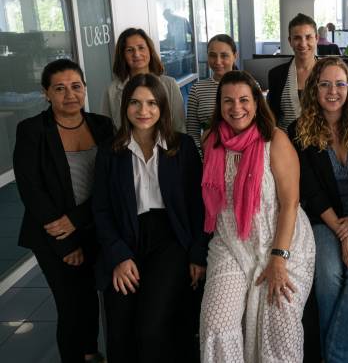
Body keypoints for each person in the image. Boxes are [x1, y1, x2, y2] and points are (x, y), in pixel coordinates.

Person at [199, 70, 315, 363]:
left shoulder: (275, 140)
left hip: (281, 242)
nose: (236, 108)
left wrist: (278, 258)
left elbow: (290, 203)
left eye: (243, 100)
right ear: (219, 105)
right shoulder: (210, 141)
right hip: (230, 243)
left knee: (278, 329)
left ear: (256, 102)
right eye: (228, 101)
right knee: (216, 324)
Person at [92, 73, 207, 363]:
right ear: (125, 107)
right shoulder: (110, 151)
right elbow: (101, 209)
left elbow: (199, 205)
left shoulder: (182, 147)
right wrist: (119, 256)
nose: (143, 111)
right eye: (135, 103)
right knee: (120, 325)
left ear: (162, 107)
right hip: (125, 239)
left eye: (152, 103)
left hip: (171, 239)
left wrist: (197, 253)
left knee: (151, 326)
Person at [14, 59, 113, 363]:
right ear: (46, 93)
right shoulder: (32, 130)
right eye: (59, 88)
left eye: (76, 86)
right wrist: (67, 243)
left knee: (92, 299)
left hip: (95, 226)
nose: (70, 94)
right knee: (71, 306)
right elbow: (31, 190)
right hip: (53, 236)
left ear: (85, 88)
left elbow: (111, 184)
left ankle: (91, 353)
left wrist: (77, 220)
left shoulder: (102, 126)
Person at [288, 57, 348, 363]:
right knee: (328, 278)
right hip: (323, 219)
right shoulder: (298, 129)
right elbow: (309, 190)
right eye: (325, 84)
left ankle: (335, 358)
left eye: (340, 84)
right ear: (314, 88)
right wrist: (341, 230)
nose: (333, 92)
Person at [102, 27, 186, 132]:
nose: (136, 54)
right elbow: (107, 131)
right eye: (129, 50)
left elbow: (179, 127)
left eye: (141, 48)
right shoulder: (111, 91)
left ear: (150, 50)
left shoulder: (170, 85)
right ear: (122, 55)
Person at [187, 34, 237, 153]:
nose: (218, 61)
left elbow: (259, 126)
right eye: (212, 55)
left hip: (245, 155)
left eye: (224, 55)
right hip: (209, 155)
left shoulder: (250, 85)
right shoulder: (197, 89)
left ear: (235, 56)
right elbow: (192, 132)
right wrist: (201, 157)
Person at [267, 13, 318, 130]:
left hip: (322, 139)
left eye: (308, 37)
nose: (303, 44)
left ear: (316, 38)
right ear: (290, 41)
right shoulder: (276, 75)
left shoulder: (328, 73)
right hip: (285, 139)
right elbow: (272, 116)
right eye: (297, 38)